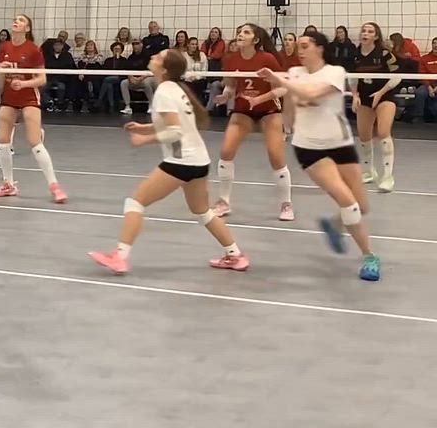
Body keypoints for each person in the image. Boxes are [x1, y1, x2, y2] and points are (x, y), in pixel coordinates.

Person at [89, 50, 249, 275]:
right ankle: (235, 255)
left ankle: (120, 257)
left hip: (180, 162)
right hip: (199, 160)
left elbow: (175, 131)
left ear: (164, 69)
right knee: (203, 212)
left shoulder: (164, 91)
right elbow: (174, 123)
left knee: (135, 203)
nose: (152, 57)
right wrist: (144, 127)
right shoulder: (174, 88)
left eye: (158, 57)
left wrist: (145, 140)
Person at [256, 32, 380, 281]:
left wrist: (281, 80)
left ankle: (334, 225)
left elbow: (311, 94)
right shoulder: (295, 72)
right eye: (298, 47)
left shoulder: (335, 72)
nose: (299, 51)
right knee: (348, 202)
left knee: (362, 206)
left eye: (305, 46)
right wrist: (286, 126)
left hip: (340, 143)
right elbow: (291, 103)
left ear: (320, 48)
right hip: (309, 148)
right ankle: (370, 257)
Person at [212, 24, 293, 221]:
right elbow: (231, 86)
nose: (240, 34)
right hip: (243, 109)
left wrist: (259, 99)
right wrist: (225, 96)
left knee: (276, 157)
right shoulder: (232, 59)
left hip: (268, 109)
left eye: (246, 32)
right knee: (226, 152)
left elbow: (283, 88)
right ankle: (223, 201)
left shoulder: (267, 59)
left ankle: (286, 204)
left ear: (256, 40)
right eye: (239, 32)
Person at [0, 14, 67, 203]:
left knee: (35, 142)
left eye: (21, 20)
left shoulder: (33, 50)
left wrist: (23, 84)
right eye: (15, 19)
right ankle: (8, 184)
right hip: (9, 98)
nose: (16, 21)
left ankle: (54, 186)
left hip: (28, 97)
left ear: (27, 28)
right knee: (2, 142)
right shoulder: (4, 47)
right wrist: (1, 71)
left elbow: (42, 79)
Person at [351, 22, 401, 191]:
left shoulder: (385, 54)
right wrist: (355, 95)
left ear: (376, 36)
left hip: (384, 95)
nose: (365, 33)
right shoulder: (355, 54)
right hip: (365, 97)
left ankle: (388, 176)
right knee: (364, 136)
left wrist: (380, 93)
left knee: (383, 132)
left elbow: (397, 77)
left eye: (370, 31)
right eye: (363, 31)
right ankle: (369, 172)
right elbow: (352, 77)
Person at [119, 40, 153, 115]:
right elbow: (127, 70)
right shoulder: (131, 57)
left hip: (146, 77)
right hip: (134, 79)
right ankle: (127, 107)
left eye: (137, 44)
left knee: (146, 83)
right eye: (134, 45)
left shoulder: (147, 56)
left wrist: (140, 78)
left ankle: (151, 105)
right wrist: (131, 77)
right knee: (123, 83)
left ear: (141, 45)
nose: (135, 46)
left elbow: (150, 70)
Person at [412, 38, 437, 124]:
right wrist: (429, 87)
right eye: (434, 43)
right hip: (428, 84)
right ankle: (418, 116)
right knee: (420, 93)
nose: (436, 45)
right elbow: (422, 74)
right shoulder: (424, 58)